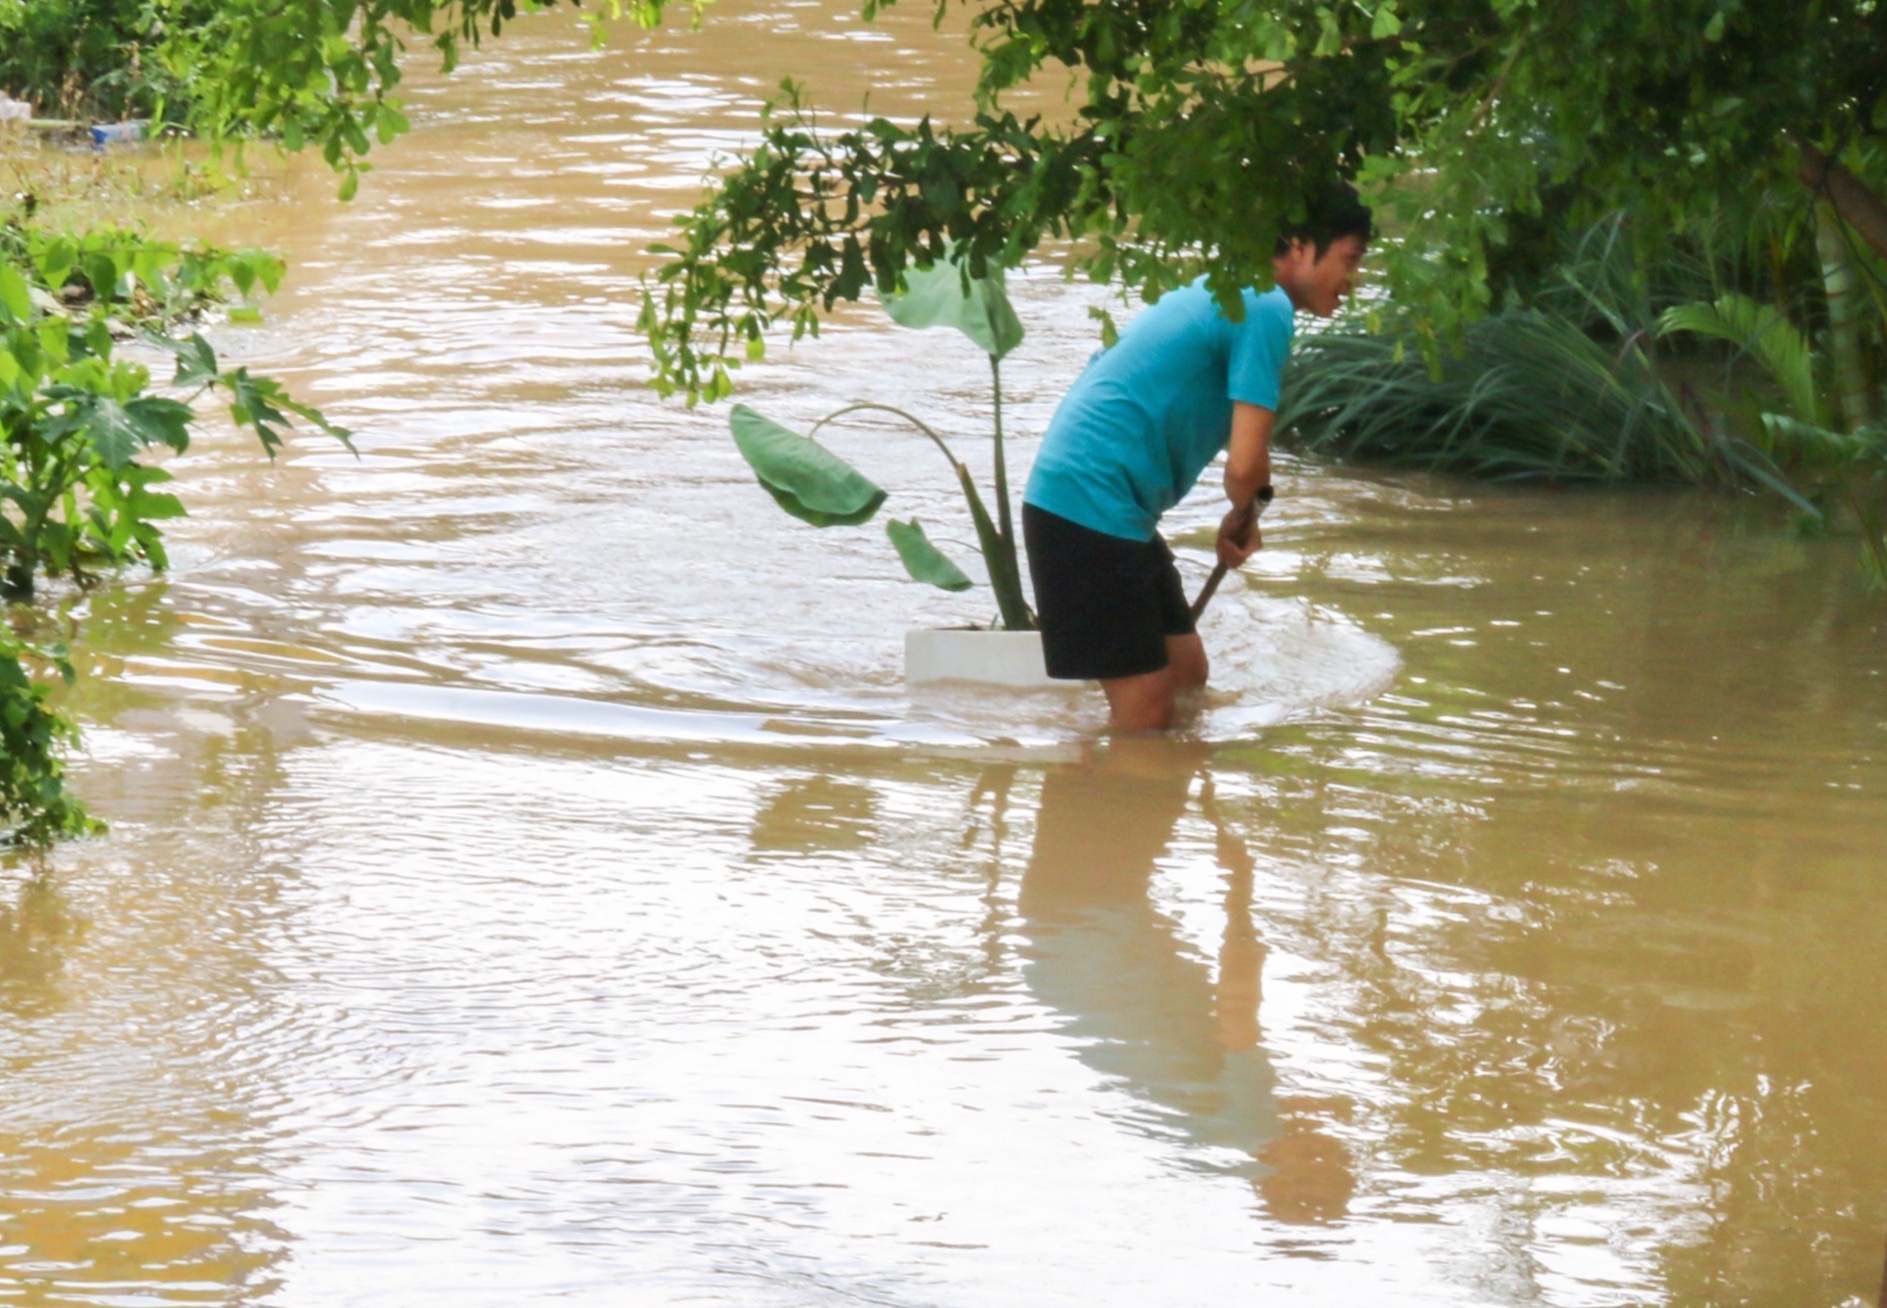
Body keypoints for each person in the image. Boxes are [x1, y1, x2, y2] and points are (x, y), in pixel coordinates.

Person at [1022, 194, 1373, 731]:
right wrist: (1244, 515)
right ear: (1300, 248)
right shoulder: (1265, 304)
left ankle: (1125, 791)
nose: (1353, 280)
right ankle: (1093, 801)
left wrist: (1242, 512)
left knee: (1186, 677)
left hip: (1107, 505)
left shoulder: (1237, 289)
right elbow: (1245, 467)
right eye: (1349, 260)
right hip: (1088, 504)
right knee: (1149, 709)